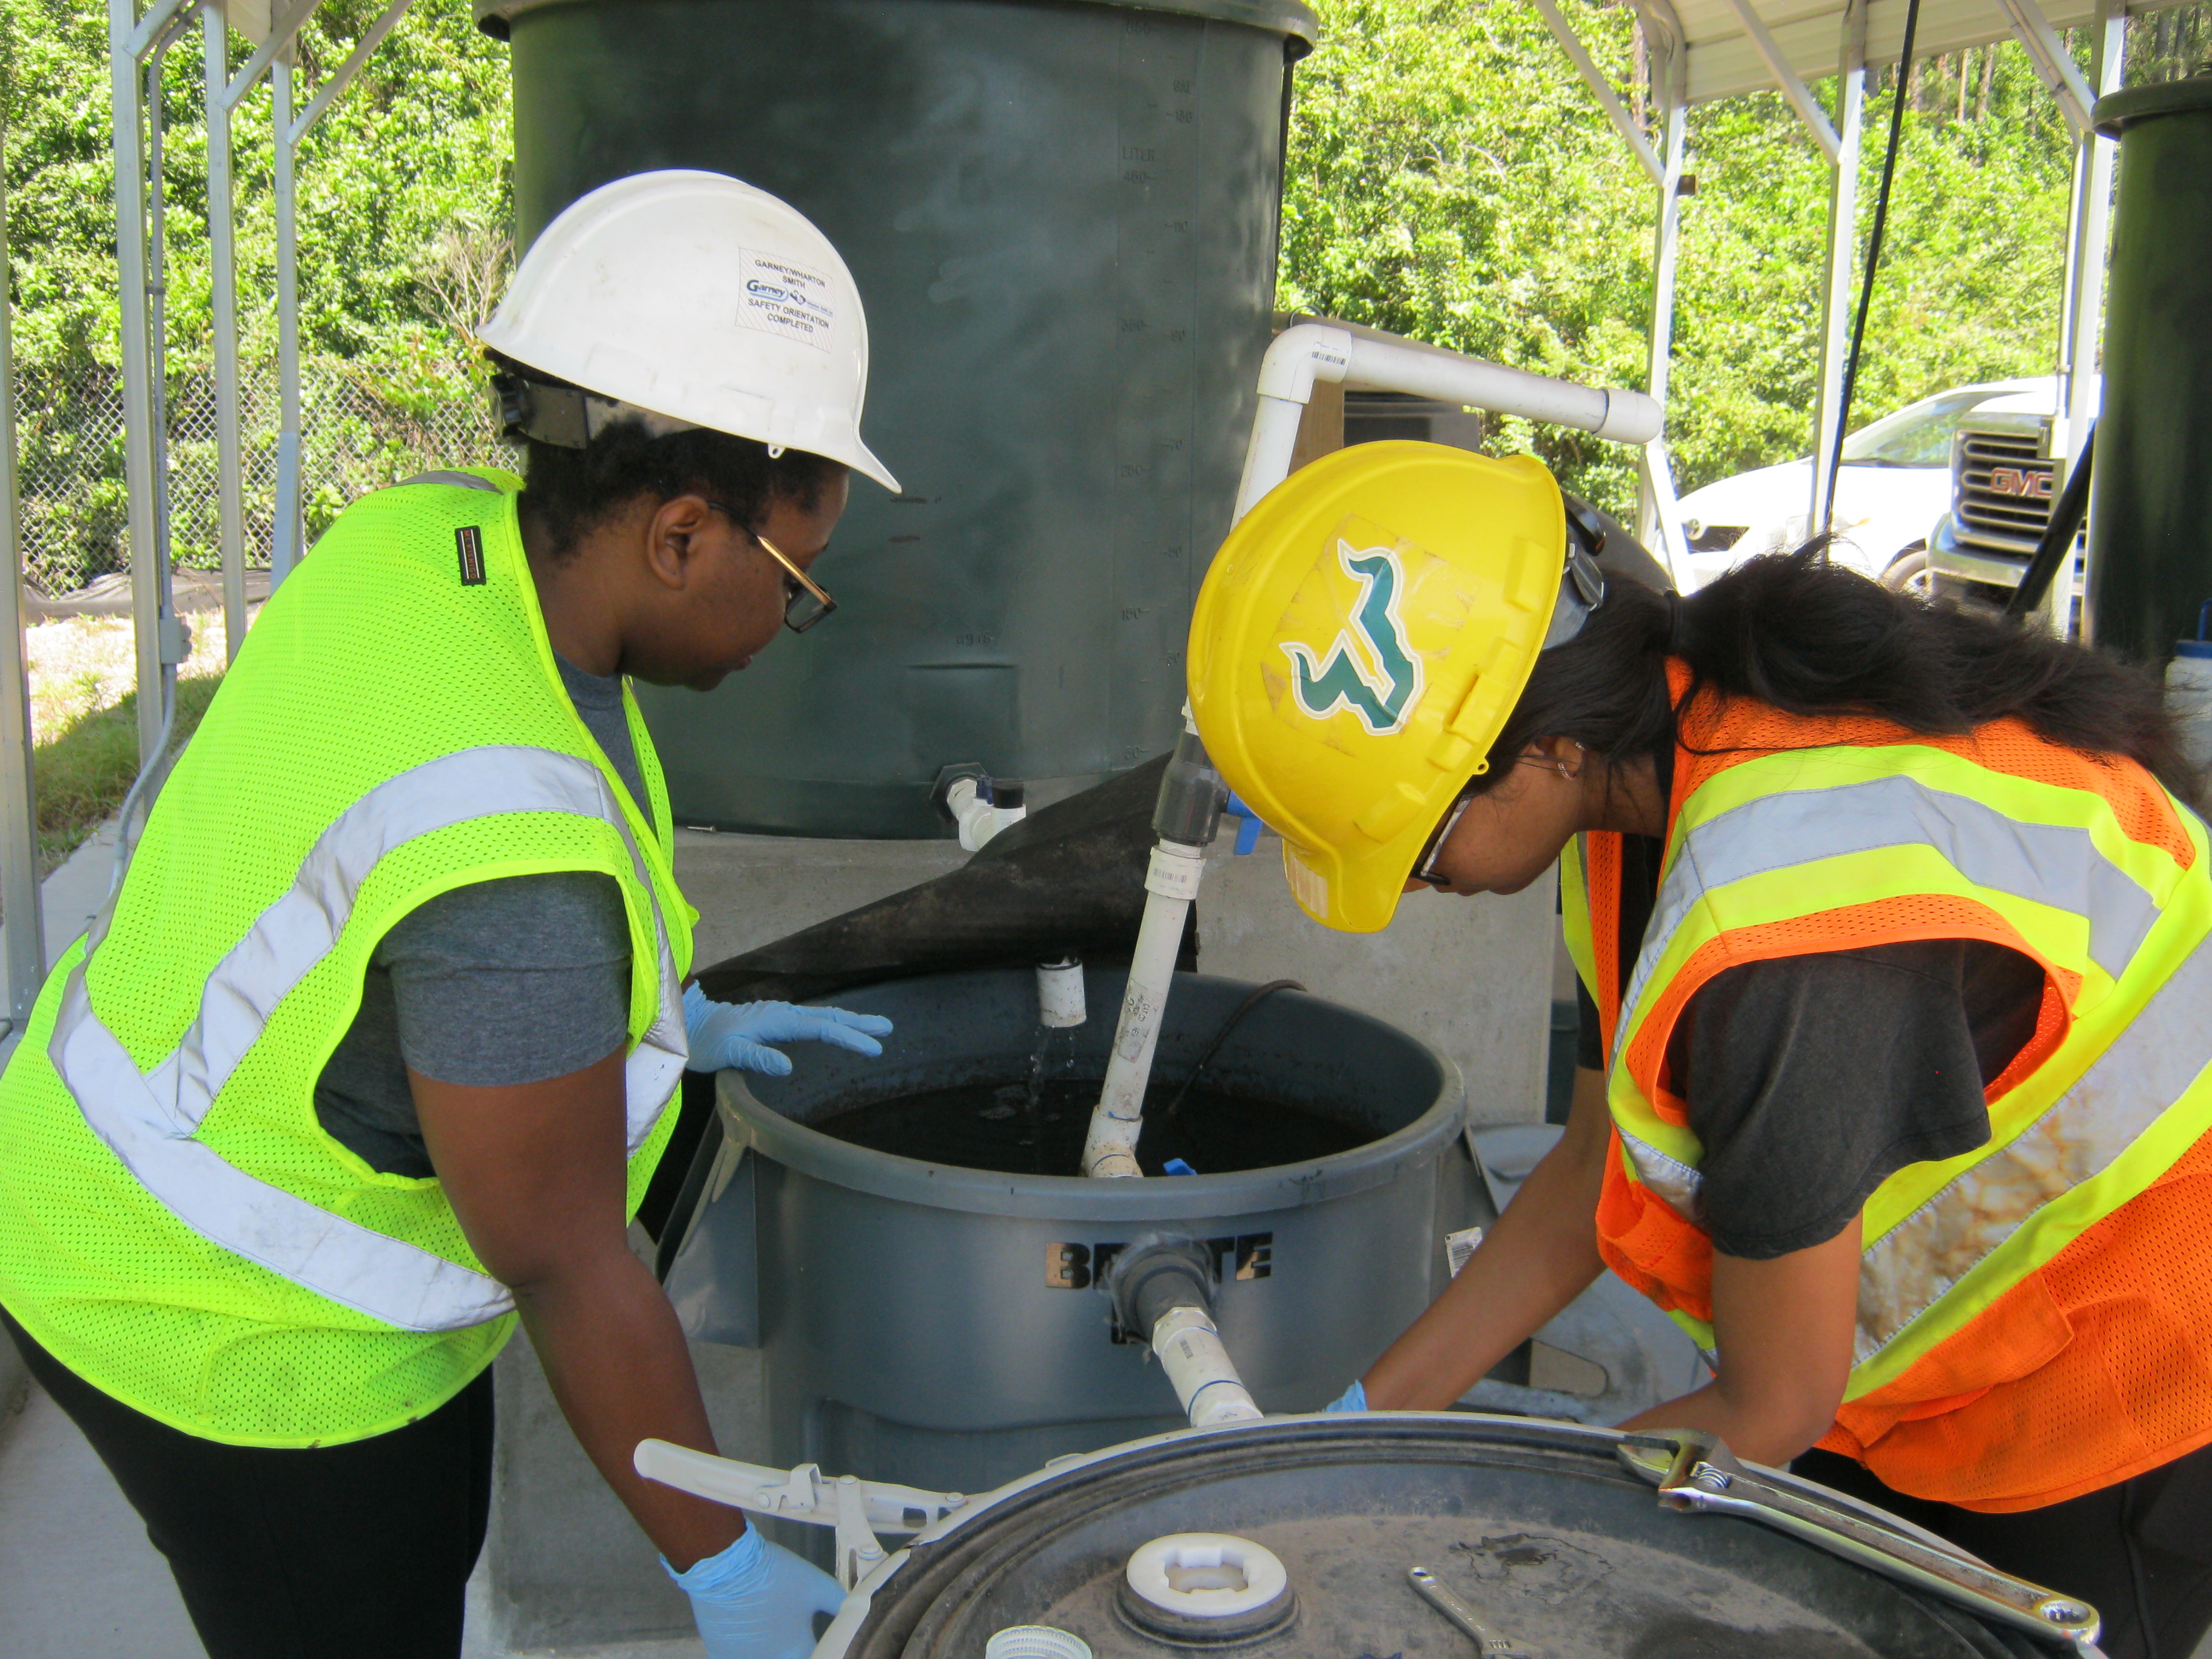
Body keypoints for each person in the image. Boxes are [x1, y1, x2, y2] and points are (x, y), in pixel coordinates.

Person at [0, 170, 902, 1659]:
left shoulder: (429, 542)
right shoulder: (511, 865)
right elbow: (559, 1255)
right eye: (799, 580)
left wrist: (665, 1023)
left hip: (69, 1176)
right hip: (226, 1336)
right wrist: (723, 1557)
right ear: (680, 535)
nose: (788, 624)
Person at [1187, 439, 2212, 1659]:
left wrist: (1477, 1534)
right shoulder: (1646, 771)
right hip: (1901, 1378)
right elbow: (1585, 1174)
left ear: (1544, 752)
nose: (1416, 886)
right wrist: (1358, 1429)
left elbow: (1769, 1406)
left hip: (2119, 1384)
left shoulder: (1786, 934)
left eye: (1414, 843)